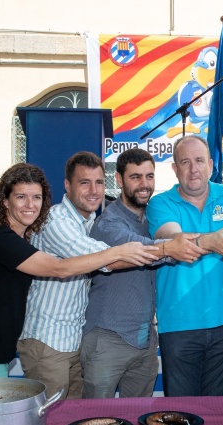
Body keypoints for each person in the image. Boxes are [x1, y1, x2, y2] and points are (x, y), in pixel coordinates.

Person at [0, 163, 156, 382]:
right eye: (21, 197)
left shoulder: (15, 237)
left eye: (37, 197)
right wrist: (119, 251)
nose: (30, 205)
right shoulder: (0, 238)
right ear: (5, 200)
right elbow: (59, 268)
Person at [17, 152, 158, 399]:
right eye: (85, 182)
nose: (94, 191)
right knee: (51, 417)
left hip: (73, 341)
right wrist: (162, 249)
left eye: (99, 182)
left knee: (77, 417)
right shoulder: (55, 220)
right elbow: (100, 257)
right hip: (47, 341)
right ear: (67, 185)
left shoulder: (89, 222)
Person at [80, 148, 203, 398]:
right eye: (135, 177)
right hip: (107, 339)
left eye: (149, 176)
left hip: (145, 341)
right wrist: (176, 247)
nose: (144, 184)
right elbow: (139, 249)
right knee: (96, 416)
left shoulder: (153, 221)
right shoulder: (108, 223)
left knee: (139, 417)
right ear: (119, 180)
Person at [146, 135, 223, 396]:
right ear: (174, 168)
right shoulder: (160, 203)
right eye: (185, 162)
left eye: (199, 161)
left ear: (211, 165)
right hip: (178, 325)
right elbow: (176, 240)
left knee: (219, 411)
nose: (193, 169)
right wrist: (217, 240)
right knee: (181, 411)